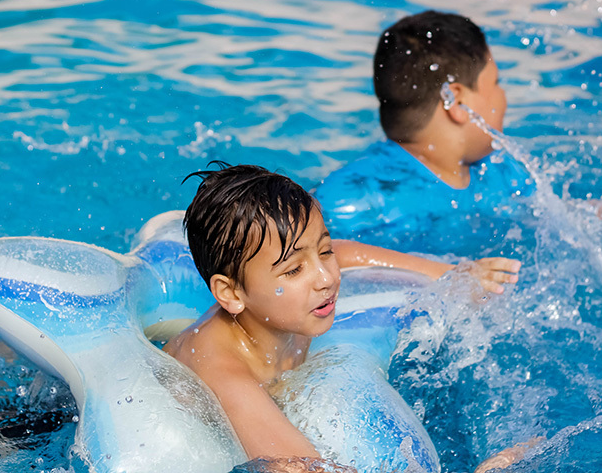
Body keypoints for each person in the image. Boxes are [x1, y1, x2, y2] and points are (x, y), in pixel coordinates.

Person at [164, 163, 522, 471]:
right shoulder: (225, 376)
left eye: (324, 250)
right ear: (231, 294)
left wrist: (450, 273)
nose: (326, 278)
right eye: (293, 271)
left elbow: (349, 253)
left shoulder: (287, 309)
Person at [313, 10, 534, 256]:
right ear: (457, 102)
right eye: (495, 83)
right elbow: (314, 257)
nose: (503, 97)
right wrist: (452, 275)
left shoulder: (502, 170)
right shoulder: (355, 197)